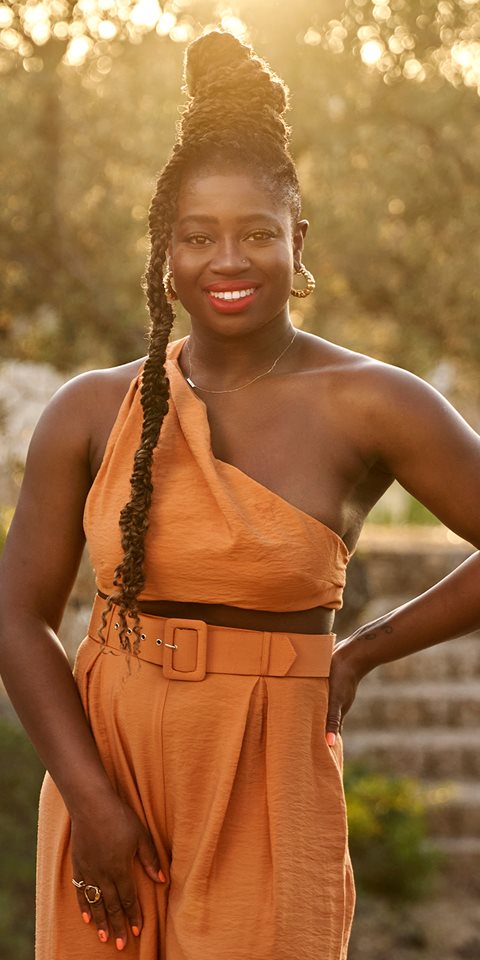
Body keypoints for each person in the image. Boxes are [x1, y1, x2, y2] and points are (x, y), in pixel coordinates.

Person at [0, 27, 479, 960]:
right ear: (165, 251)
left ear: (298, 242)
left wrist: (362, 653)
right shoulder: (90, 411)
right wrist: (93, 803)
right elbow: (17, 618)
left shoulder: (373, 403)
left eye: (257, 233)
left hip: (269, 769)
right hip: (108, 763)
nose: (229, 260)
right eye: (198, 235)